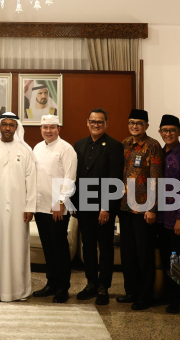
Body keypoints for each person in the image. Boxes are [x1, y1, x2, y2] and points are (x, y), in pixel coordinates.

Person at [0, 112, 37, 301]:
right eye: (4, 124)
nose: (8, 128)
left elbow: (31, 181)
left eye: (11, 125)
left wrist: (30, 207)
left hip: (19, 210)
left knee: (18, 247)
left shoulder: (25, 149)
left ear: (16, 127)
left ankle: (19, 291)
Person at [72, 108, 124, 306]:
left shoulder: (114, 146)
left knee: (105, 247)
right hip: (84, 203)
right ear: (87, 122)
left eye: (100, 122)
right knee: (88, 247)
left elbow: (115, 179)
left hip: (103, 206)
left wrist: (106, 207)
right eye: (92, 121)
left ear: (106, 124)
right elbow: (75, 176)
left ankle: (104, 286)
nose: (96, 125)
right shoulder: (79, 145)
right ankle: (91, 283)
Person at [118, 109, 163, 311]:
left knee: (144, 255)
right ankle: (131, 292)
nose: (135, 126)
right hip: (126, 207)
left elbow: (155, 178)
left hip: (144, 210)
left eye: (139, 123)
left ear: (146, 125)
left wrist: (152, 207)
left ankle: (145, 296)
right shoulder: (125, 143)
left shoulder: (153, 145)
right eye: (131, 122)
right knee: (128, 254)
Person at [31, 114, 77, 304]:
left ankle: (62, 287)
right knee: (47, 247)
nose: (48, 131)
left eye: (52, 127)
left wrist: (60, 202)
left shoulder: (66, 149)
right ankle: (51, 282)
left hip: (57, 207)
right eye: (45, 127)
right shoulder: (37, 147)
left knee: (59, 248)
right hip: (40, 206)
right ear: (41, 129)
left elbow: (70, 177)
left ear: (58, 128)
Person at [155, 114, 180, 314]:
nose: (168, 134)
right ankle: (169, 295)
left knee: (179, 259)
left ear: (179, 132)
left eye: (172, 130)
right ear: (160, 133)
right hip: (159, 218)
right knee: (165, 258)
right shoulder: (158, 154)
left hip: (176, 219)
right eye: (165, 130)